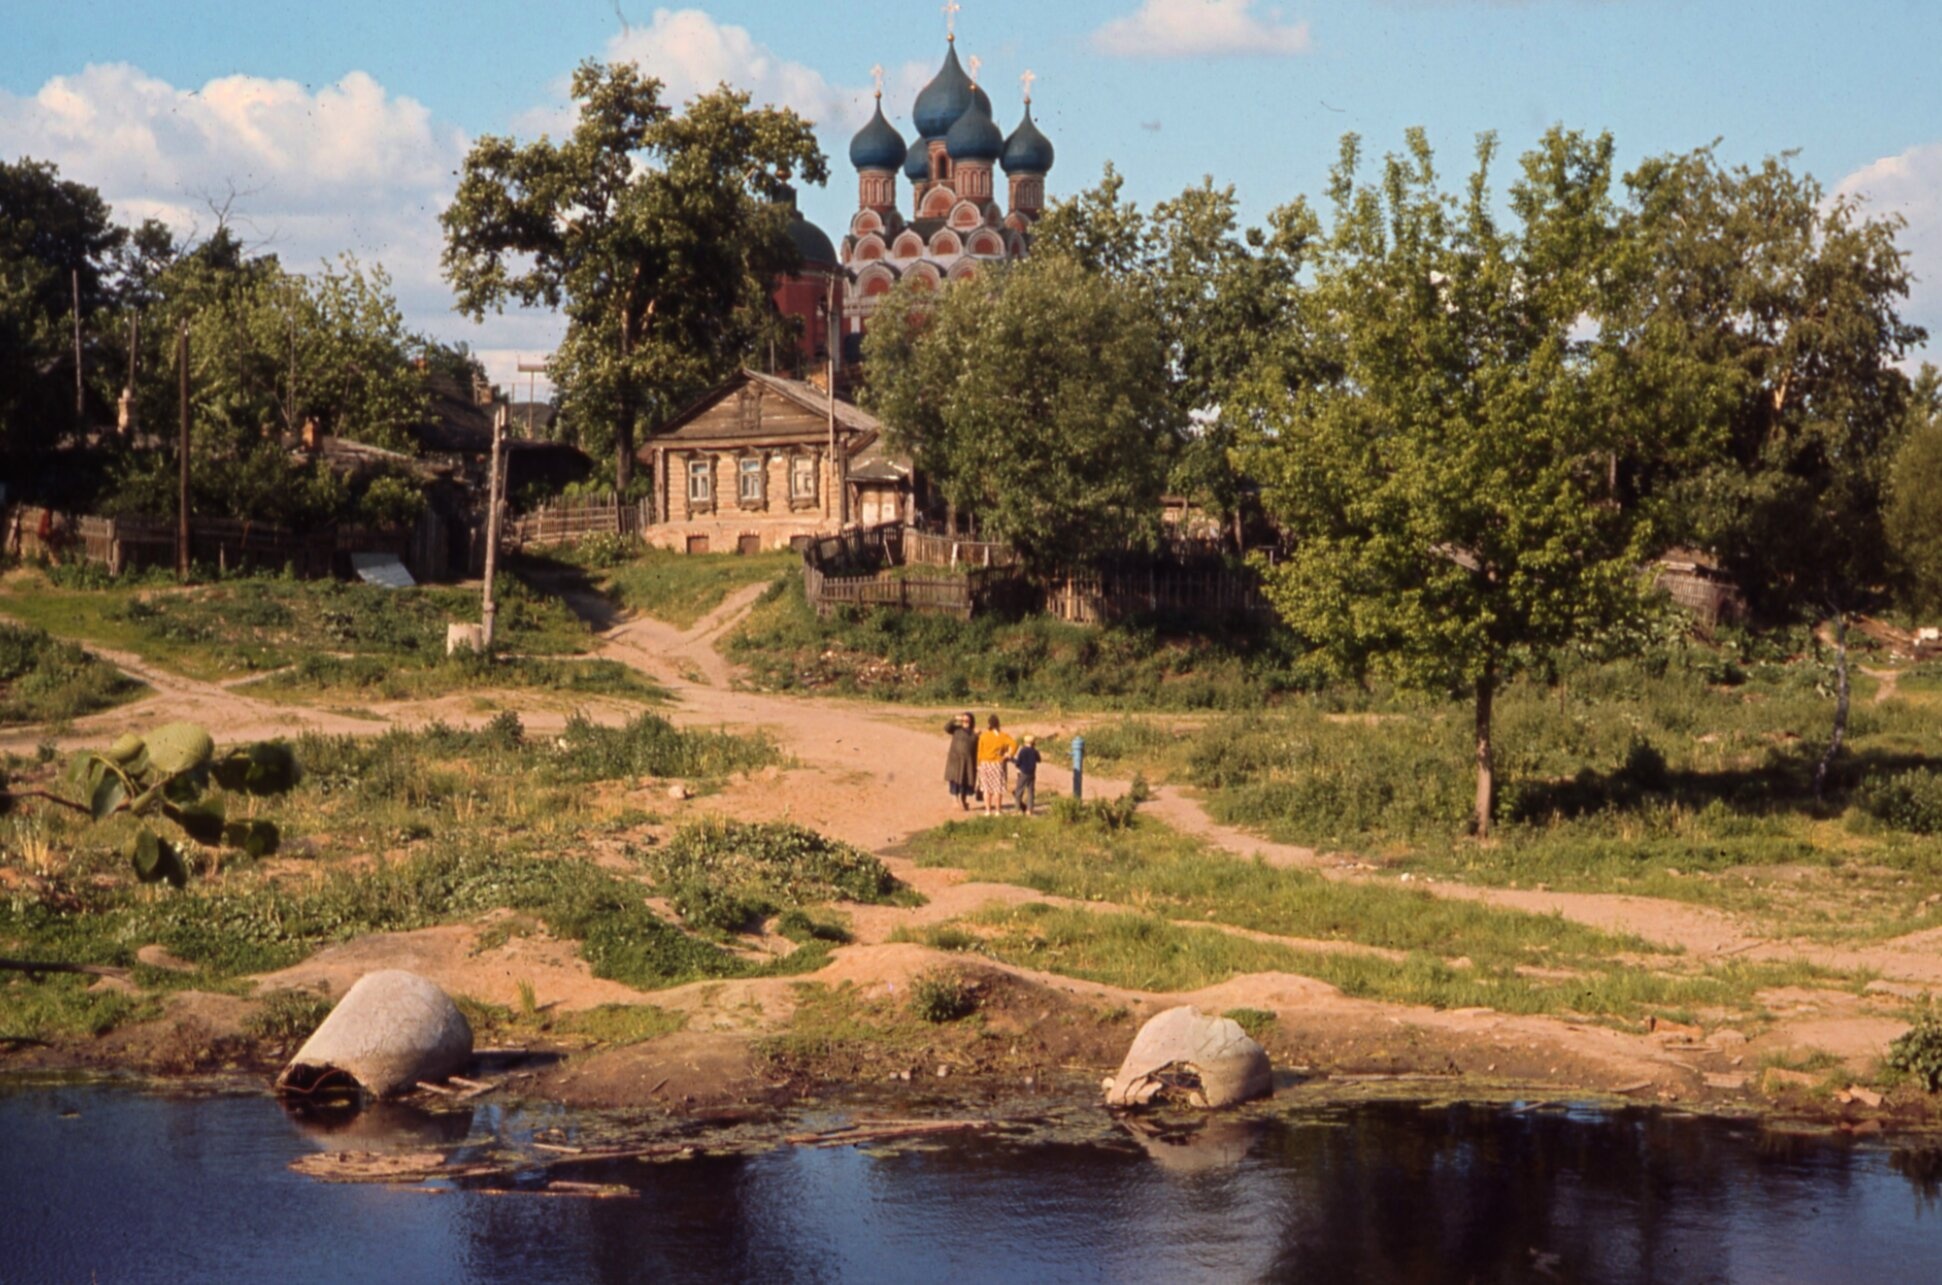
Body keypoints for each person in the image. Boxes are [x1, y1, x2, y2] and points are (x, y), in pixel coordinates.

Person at [976, 714, 1016, 816]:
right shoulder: (1003, 736)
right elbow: (1014, 744)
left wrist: (979, 764)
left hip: (985, 763)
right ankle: (998, 811)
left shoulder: (983, 736)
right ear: (998, 724)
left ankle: (988, 811)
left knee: (986, 789)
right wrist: (1009, 754)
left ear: (988, 724)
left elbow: (979, 752)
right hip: (998, 763)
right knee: (997, 789)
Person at [943, 711, 979, 811]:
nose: (965, 722)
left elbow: (977, 747)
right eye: (964, 720)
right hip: (955, 760)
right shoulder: (956, 729)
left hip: (968, 761)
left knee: (965, 781)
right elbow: (946, 728)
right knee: (954, 780)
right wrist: (955, 718)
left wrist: (978, 734)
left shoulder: (973, 733)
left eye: (968, 720)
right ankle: (955, 801)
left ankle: (963, 800)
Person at [1012, 734, 1041, 816]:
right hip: (1032, 773)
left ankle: (1017, 810)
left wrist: (1013, 760)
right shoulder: (1034, 751)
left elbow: (1018, 762)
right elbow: (1039, 760)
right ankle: (1029, 810)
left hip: (1023, 772)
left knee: (1019, 791)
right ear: (1033, 742)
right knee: (1031, 791)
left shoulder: (1023, 751)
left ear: (1025, 742)